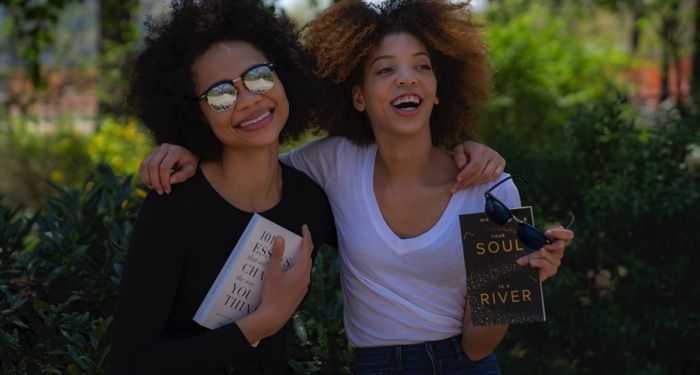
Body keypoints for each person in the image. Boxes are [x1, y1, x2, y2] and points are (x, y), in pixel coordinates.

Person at [137, 0, 574, 374]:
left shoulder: (492, 189)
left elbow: (479, 346)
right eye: (385, 70)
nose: (407, 78)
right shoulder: (334, 161)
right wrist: (192, 148)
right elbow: (252, 160)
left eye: (422, 66)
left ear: (439, 89)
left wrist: (520, 272)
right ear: (359, 96)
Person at [109, 1, 337, 374]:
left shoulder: (310, 200)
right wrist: (263, 321)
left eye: (259, 76)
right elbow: (131, 364)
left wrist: (465, 156)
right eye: (220, 95)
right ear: (192, 112)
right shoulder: (175, 205)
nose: (248, 99)